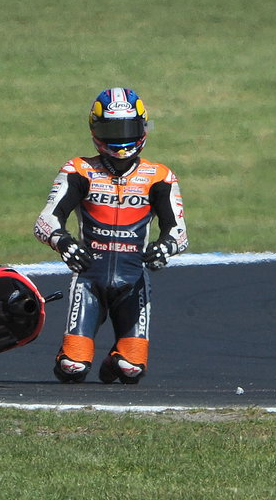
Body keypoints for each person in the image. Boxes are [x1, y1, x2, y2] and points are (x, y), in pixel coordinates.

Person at [35, 88, 187, 385]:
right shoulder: (78, 170)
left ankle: (114, 361)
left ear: (141, 128)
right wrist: (63, 242)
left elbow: (179, 231)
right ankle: (72, 356)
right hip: (88, 278)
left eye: (127, 129)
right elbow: (46, 219)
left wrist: (165, 248)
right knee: (73, 368)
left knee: (132, 369)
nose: (119, 140)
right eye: (111, 129)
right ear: (95, 129)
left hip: (134, 281)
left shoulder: (160, 177)